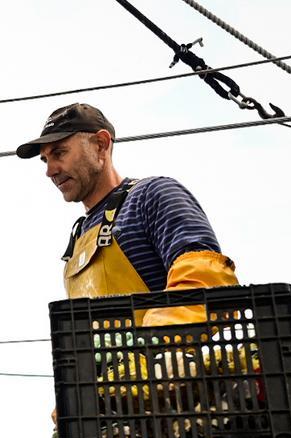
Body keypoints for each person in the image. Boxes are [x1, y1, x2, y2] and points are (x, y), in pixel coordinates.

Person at [17, 103, 239, 324]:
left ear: (100, 145)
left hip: (167, 356)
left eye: (60, 152)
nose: (50, 171)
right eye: (45, 160)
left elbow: (206, 282)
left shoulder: (150, 196)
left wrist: (155, 344)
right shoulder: (78, 237)